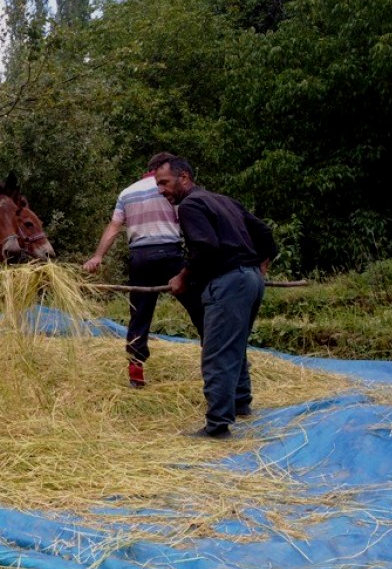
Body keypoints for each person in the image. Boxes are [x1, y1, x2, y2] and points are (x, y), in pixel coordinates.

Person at [154, 156, 277, 439]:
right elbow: (264, 233)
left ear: (184, 177)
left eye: (164, 183)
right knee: (235, 344)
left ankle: (218, 426)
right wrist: (260, 267)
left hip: (228, 283)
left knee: (217, 353)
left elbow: (205, 248)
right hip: (250, 281)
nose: (161, 190)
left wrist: (182, 277)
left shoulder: (190, 205)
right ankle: (241, 403)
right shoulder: (223, 201)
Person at [84, 152, 203, 388]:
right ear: (162, 168)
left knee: (139, 316)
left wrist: (98, 256)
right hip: (170, 254)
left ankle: (136, 374)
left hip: (139, 258)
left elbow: (115, 226)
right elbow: (187, 220)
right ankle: (217, 357)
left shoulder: (127, 193)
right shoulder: (172, 188)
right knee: (200, 308)